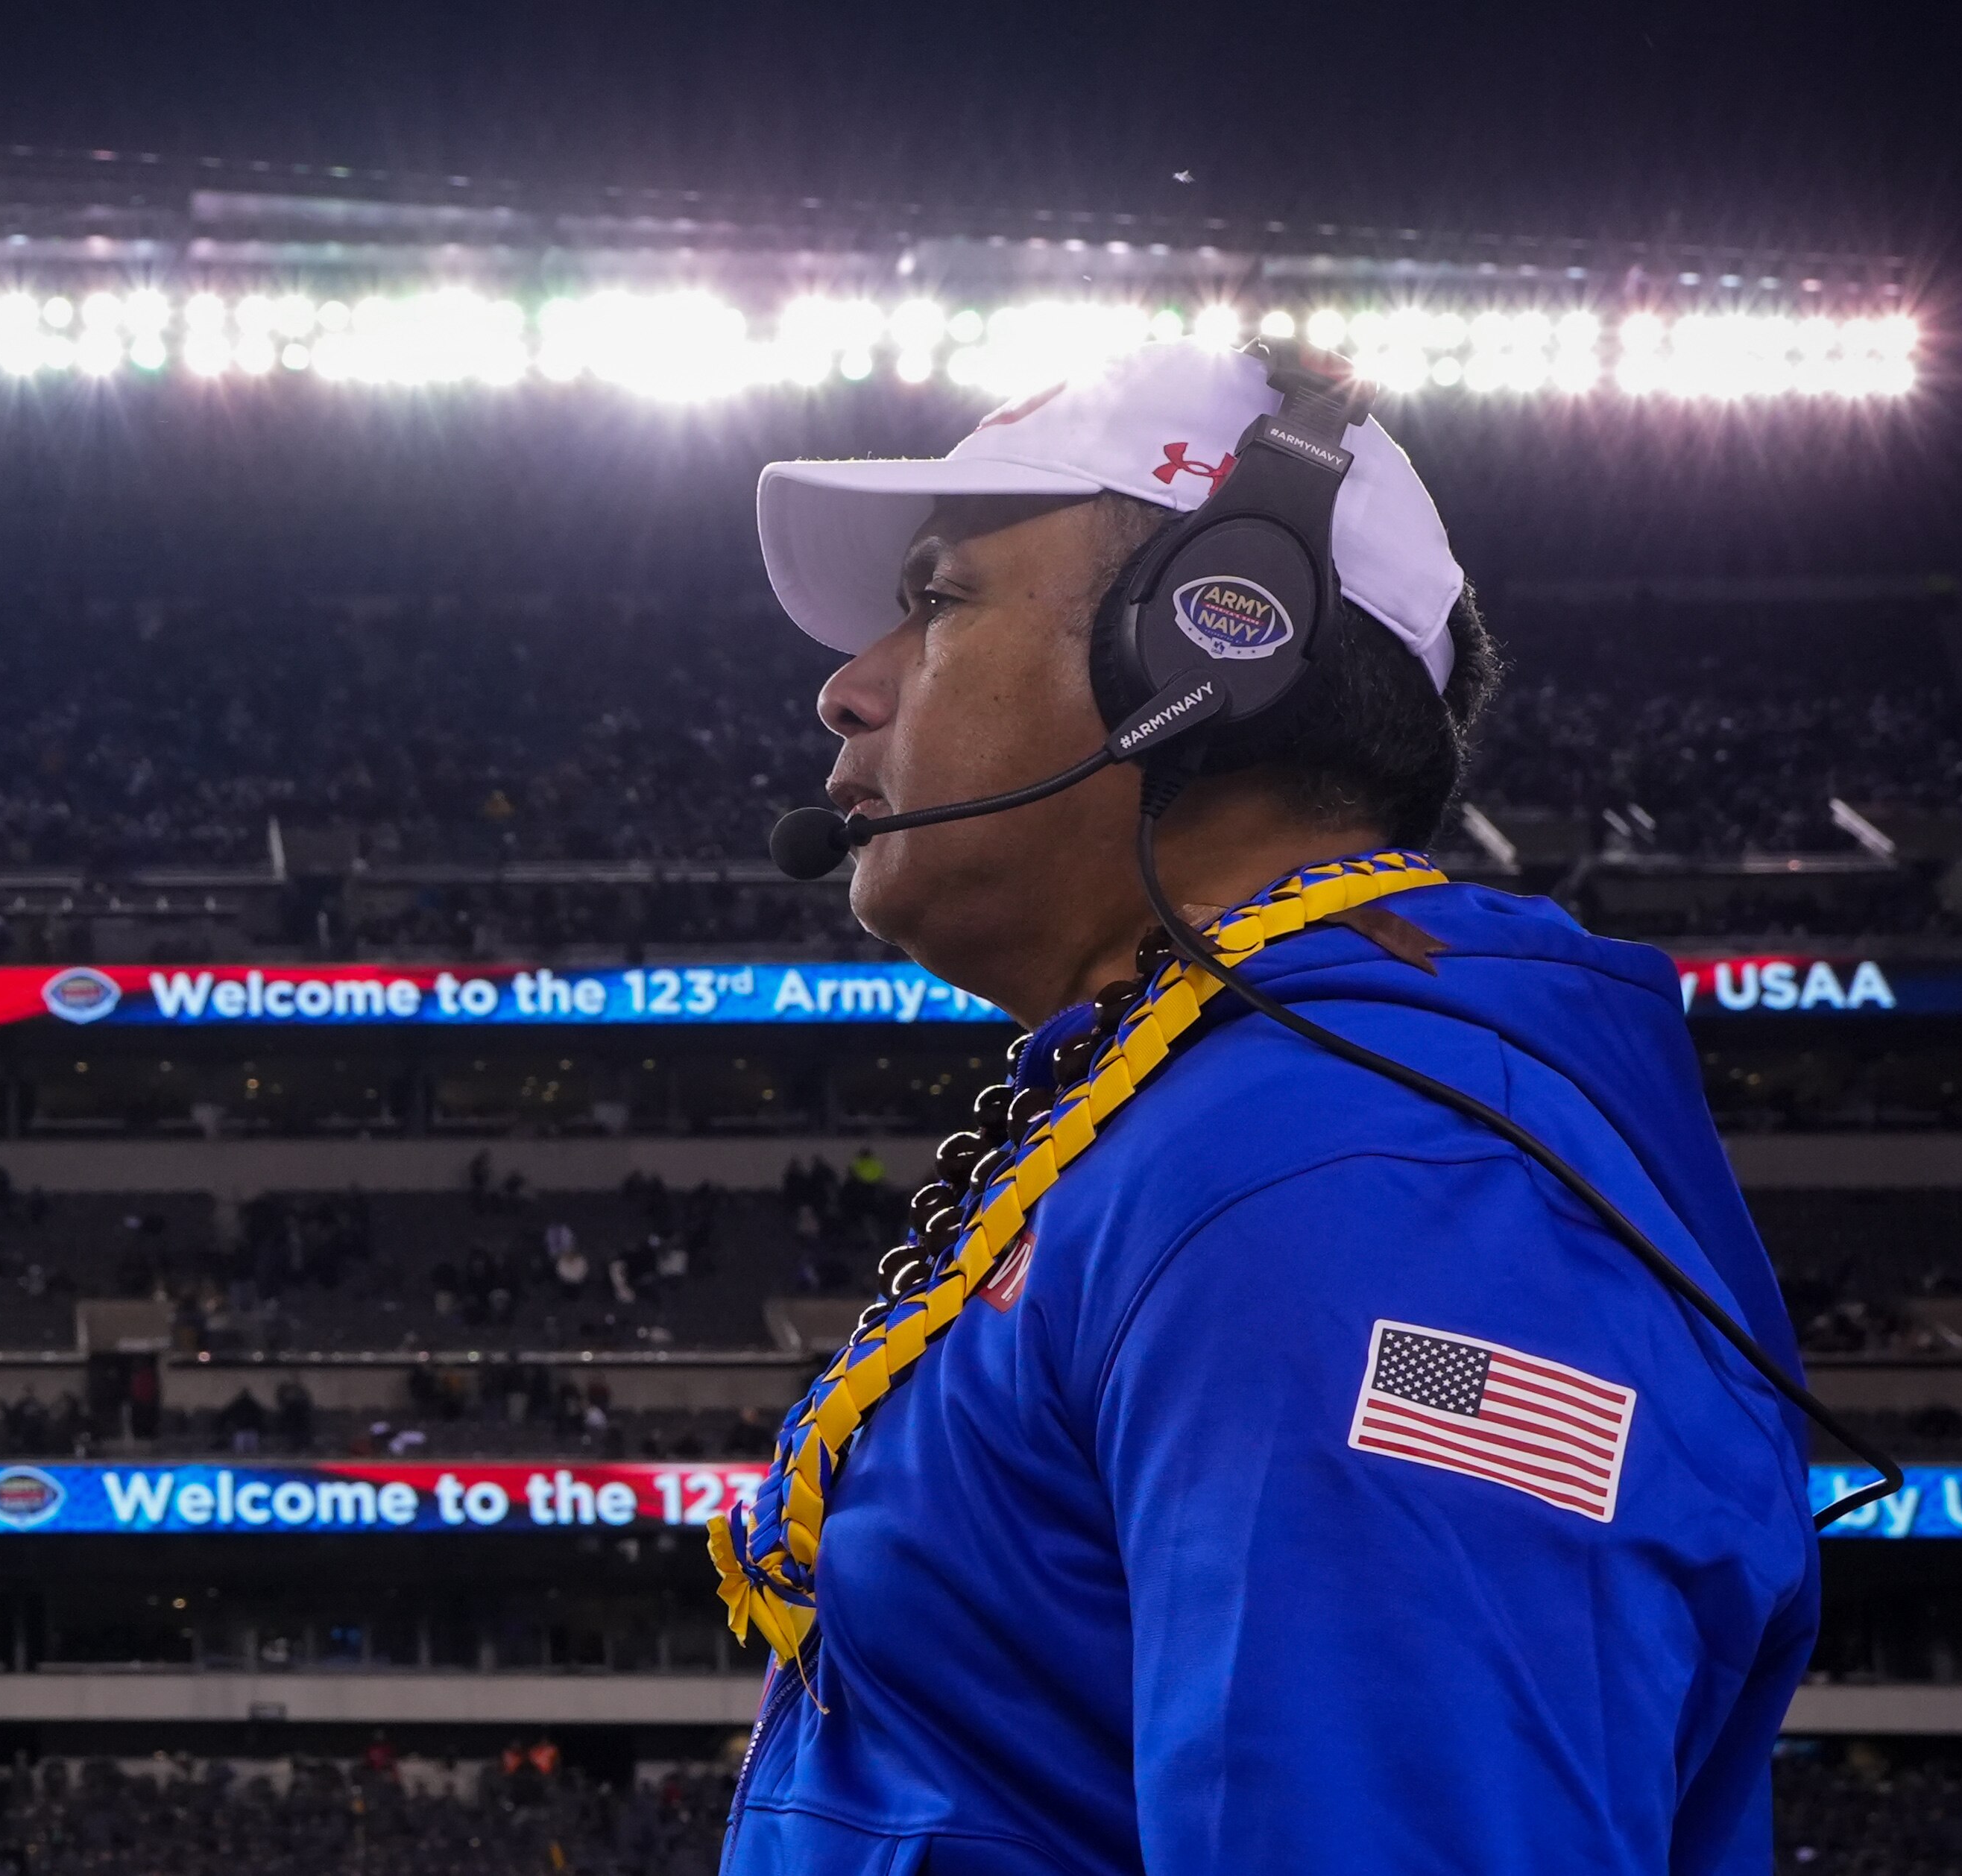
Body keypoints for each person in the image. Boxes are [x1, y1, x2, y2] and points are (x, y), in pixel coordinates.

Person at [713, 341, 1817, 1874]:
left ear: (1209, 647)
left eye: (937, 601)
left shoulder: (1360, 1178)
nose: (847, 686)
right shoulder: (1217, 1121)